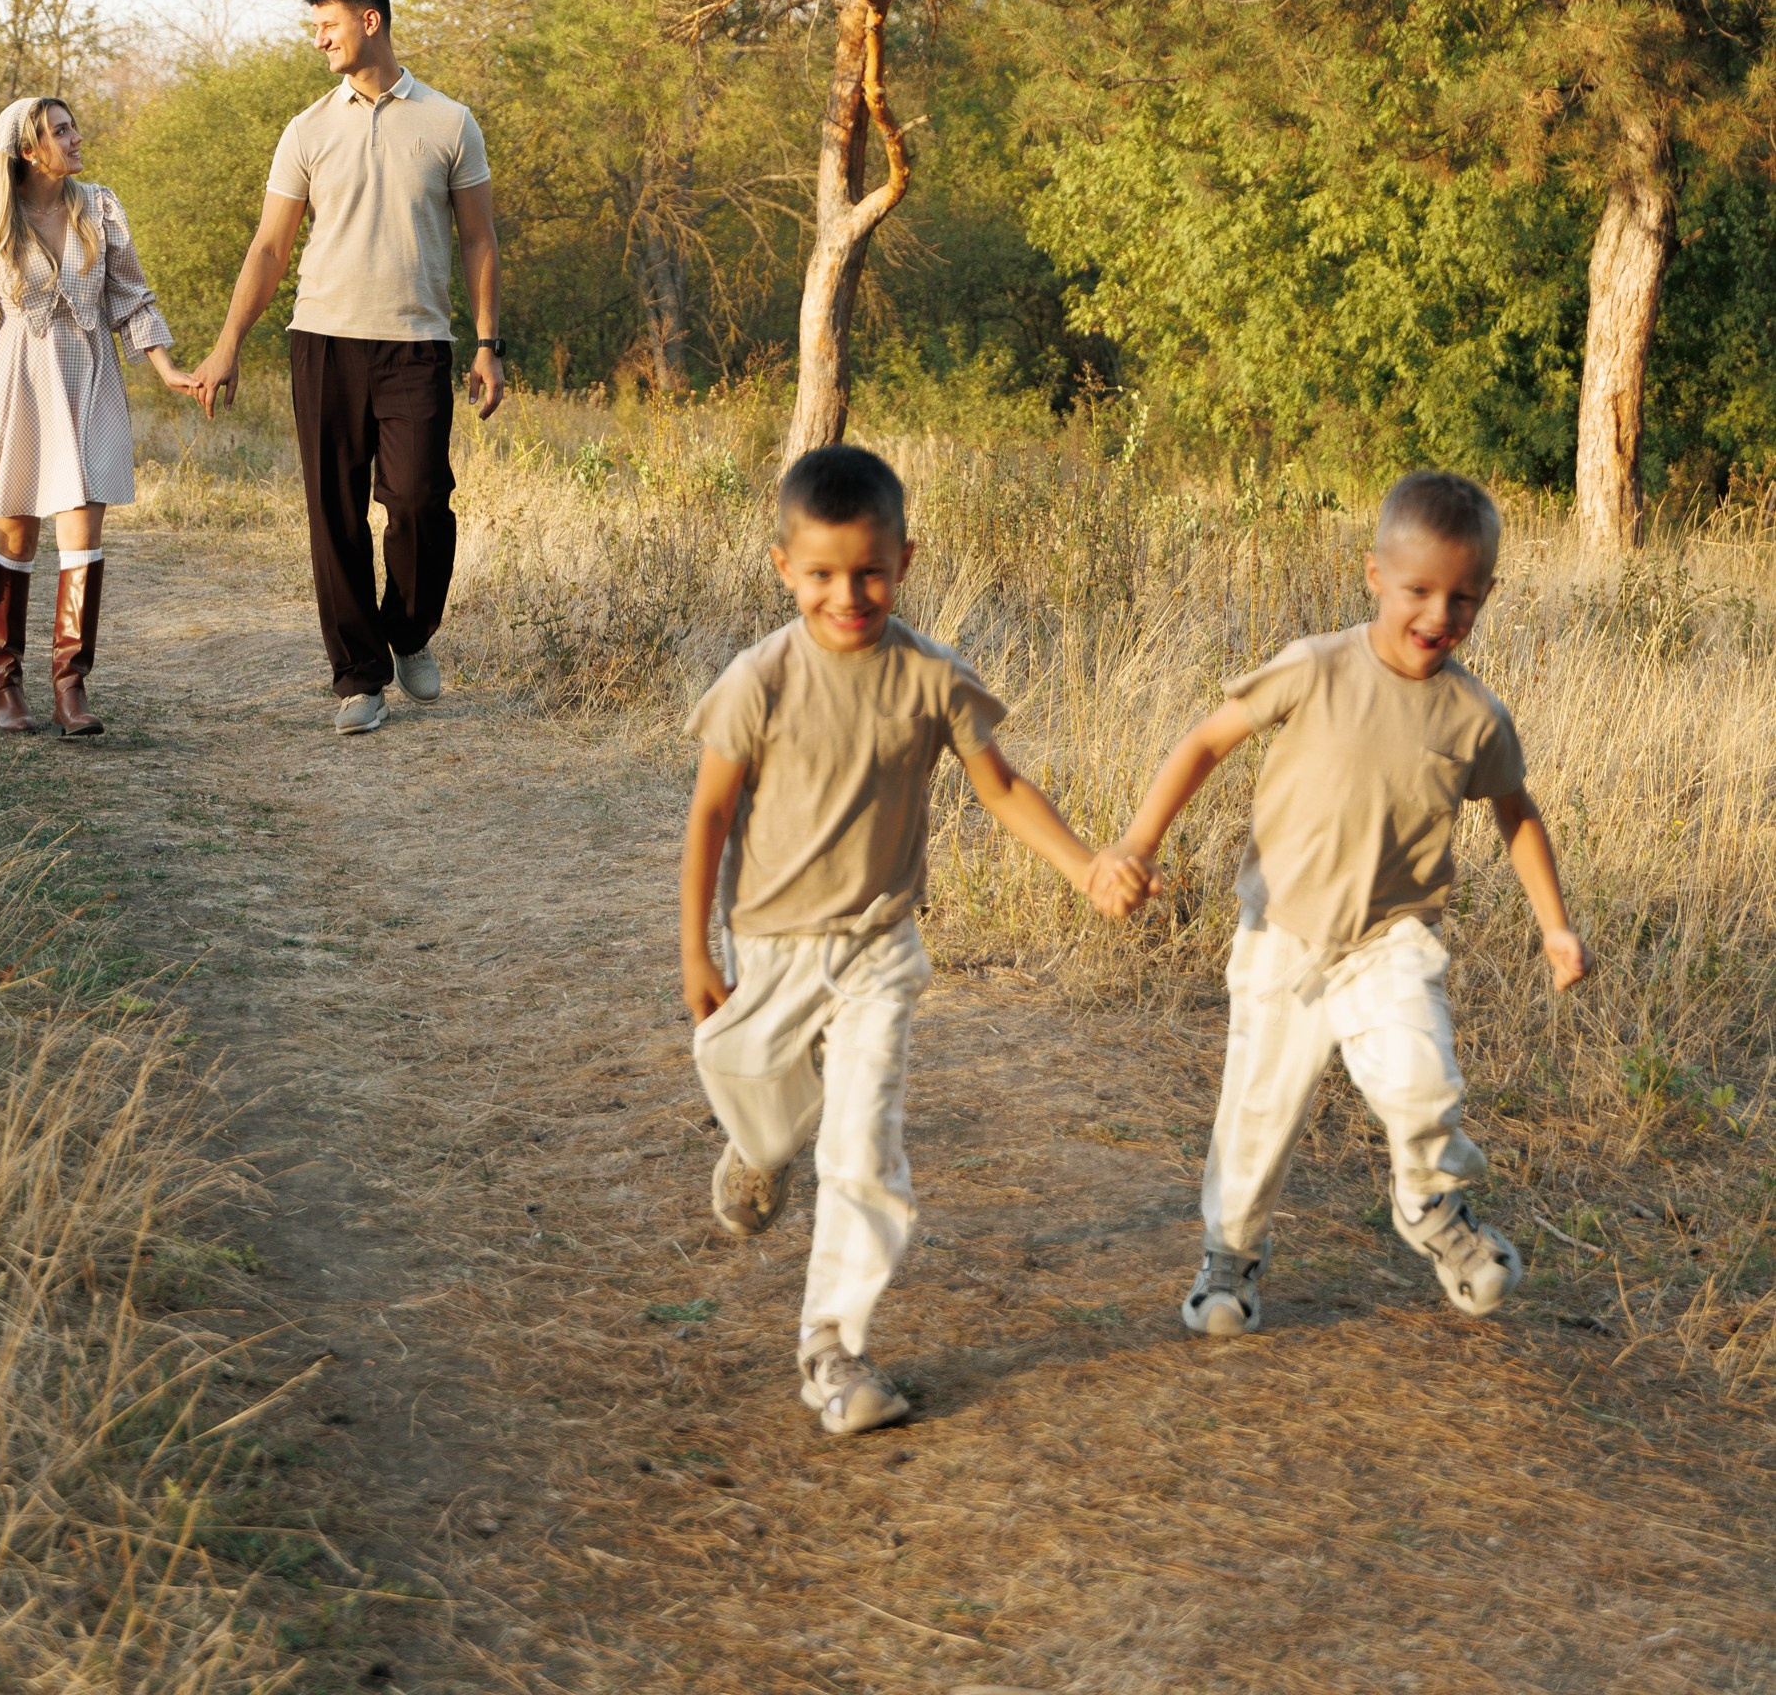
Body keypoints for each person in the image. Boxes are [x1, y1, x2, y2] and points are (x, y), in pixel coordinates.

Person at [680, 443, 1131, 1440]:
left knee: (864, 1145)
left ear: (905, 560)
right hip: (770, 943)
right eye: (822, 574)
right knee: (751, 1084)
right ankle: (759, 1146)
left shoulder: (931, 676)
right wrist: (696, 952)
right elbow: (710, 813)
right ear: (783, 567)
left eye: (870, 572)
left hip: (879, 947)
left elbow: (1000, 786)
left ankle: (832, 1346)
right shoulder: (760, 678)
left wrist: (1084, 866)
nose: (848, 595)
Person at [1092, 467, 1587, 1338]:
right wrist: (1138, 840)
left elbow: (1516, 816)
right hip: (1280, 935)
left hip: (1390, 940)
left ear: (1487, 595)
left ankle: (1429, 1205)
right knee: (1257, 1114)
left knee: (1423, 1082)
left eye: (1463, 598)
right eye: (1417, 590)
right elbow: (1205, 742)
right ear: (1373, 575)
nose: (1438, 614)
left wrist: (1554, 926)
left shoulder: (1475, 715)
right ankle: (1229, 1259)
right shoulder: (1315, 666)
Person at [189, 0, 502, 732]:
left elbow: (479, 239)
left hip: (417, 345)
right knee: (334, 513)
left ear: (369, 21)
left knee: (419, 501)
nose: (318, 40)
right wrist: (228, 344)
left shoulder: (450, 122)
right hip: (323, 341)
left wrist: (488, 344)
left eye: (326, 25)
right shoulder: (306, 129)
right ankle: (358, 678)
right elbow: (269, 249)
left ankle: (409, 631)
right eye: (314, 28)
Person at [0, 96, 191, 739]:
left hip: (89, 376)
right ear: (29, 150)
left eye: (73, 127)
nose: (76, 137)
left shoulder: (101, 208)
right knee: (16, 539)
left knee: (83, 536)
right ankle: (7, 684)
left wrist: (168, 369)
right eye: (60, 131)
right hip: (17, 382)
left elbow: (131, 297)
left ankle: (71, 687)